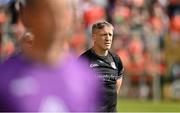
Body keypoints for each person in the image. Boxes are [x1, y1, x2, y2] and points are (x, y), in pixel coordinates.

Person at [0, 0, 100, 112]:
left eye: (61, 13)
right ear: (27, 14)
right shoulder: (4, 78)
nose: (56, 21)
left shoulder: (86, 77)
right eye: (48, 13)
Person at [79, 21, 124, 112]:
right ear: (94, 37)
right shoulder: (84, 60)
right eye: (104, 35)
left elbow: (116, 88)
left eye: (110, 35)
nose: (108, 38)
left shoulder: (116, 60)